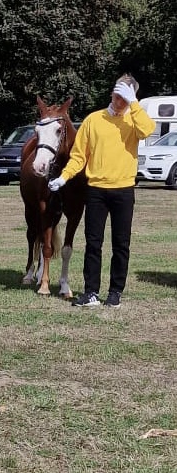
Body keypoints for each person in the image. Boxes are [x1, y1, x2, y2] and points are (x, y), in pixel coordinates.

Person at [48, 75, 154, 308]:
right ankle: (91, 292)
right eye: (117, 94)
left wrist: (134, 104)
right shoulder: (93, 120)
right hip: (96, 189)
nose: (119, 100)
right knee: (93, 243)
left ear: (132, 97)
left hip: (123, 189)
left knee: (121, 244)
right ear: (111, 93)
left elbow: (147, 130)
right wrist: (64, 177)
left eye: (124, 97)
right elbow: (79, 156)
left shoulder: (134, 120)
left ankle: (115, 292)